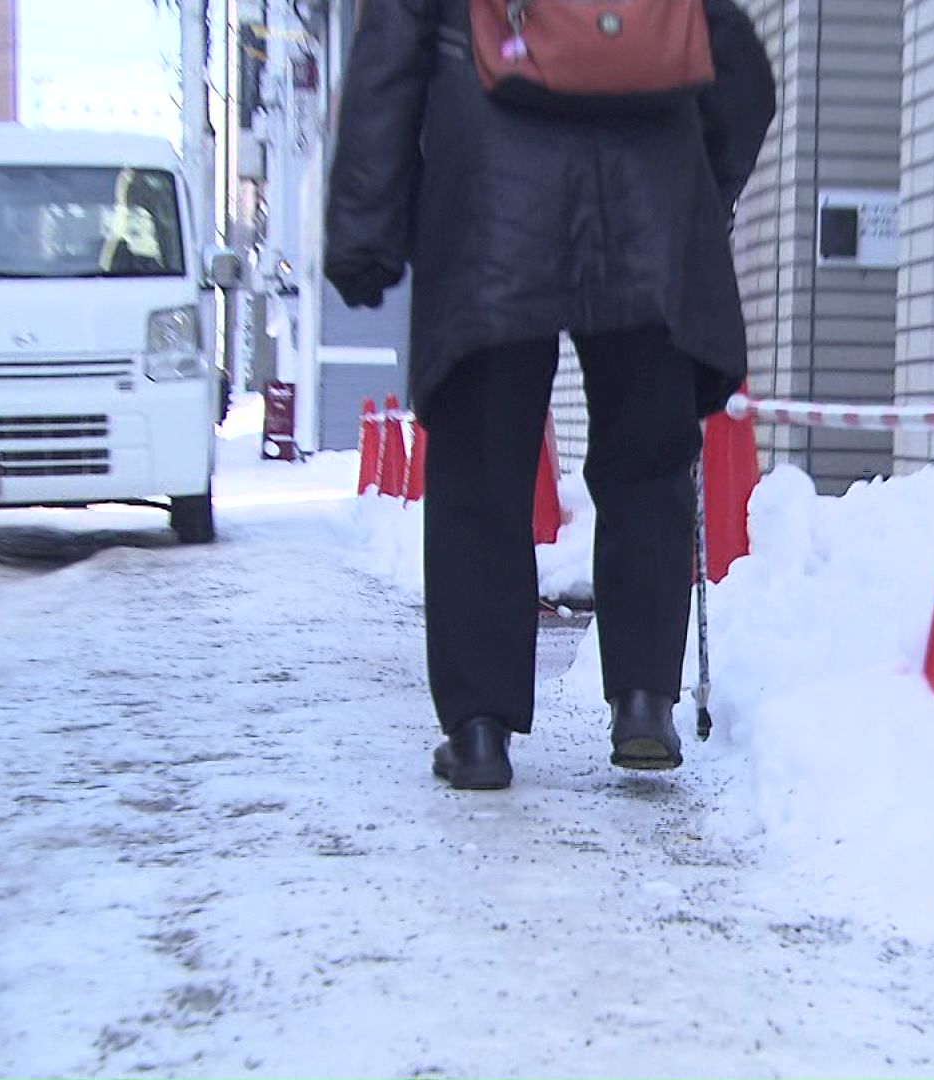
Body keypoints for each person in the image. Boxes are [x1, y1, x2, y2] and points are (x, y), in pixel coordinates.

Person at [324, 0, 776, 790]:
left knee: (479, 476)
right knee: (648, 466)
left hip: (486, 212)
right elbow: (743, 75)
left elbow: (388, 67)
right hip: (652, 208)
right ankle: (643, 701)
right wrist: (703, 194)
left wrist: (366, 235)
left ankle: (478, 730)